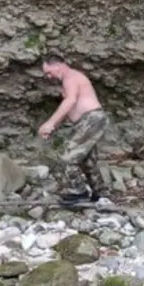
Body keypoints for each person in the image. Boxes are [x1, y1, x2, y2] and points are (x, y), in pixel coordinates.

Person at [38, 54, 110, 206]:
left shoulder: (70, 77)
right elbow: (69, 109)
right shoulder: (71, 79)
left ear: (57, 66)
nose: (49, 77)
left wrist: (50, 123)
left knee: (68, 157)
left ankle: (78, 192)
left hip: (91, 119)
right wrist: (53, 127)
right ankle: (100, 194)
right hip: (89, 120)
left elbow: (70, 101)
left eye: (49, 72)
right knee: (88, 161)